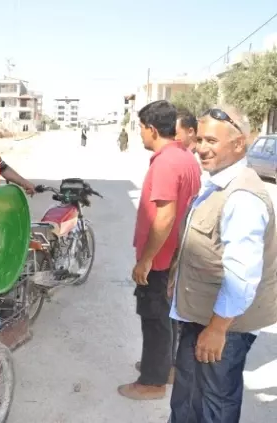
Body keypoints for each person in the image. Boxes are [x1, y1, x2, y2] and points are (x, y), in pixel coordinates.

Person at [168, 106, 277, 423]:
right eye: (199, 139)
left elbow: (242, 275)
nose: (201, 147)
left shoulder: (242, 196)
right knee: (188, 395)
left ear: (239, 143)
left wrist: (217, 329)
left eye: (211, 140)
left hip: (222, 326)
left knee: (215, 403)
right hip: (200, 316)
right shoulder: (215, 182)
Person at [118, 100, 201, 401]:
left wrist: (147, 259)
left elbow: (165, 217)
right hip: (174, 255)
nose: (140, 134)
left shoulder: (166, 162)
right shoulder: (185, 157)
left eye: (141, 128)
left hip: (161, 257)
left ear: (152, 129)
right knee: (167, 316)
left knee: (154, 318)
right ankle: (165, 366)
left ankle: (152, 382)